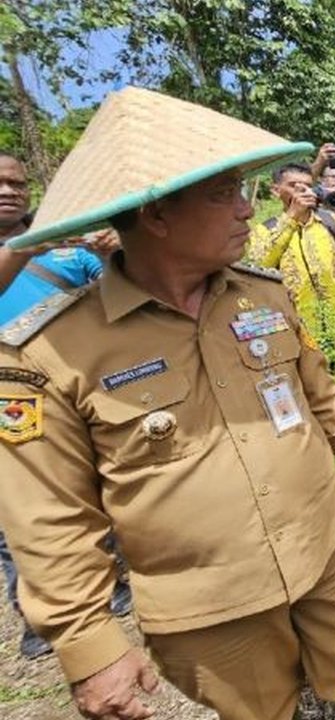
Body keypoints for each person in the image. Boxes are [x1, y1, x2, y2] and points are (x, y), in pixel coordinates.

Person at [0, 87, 335, 720]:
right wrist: (90, 648)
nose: (247, 210)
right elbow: (48, 521)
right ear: (156, 215)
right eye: (224, 194)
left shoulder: (263, 297)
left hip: (324, 548)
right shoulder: (51, 352)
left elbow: (320, 393)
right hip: (213, 603)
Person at [0, 154, 132, 661]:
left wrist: (115, 253)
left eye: (17, 182)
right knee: (19, 509)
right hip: (10, 398)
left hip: (75, 386)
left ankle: (109, 585)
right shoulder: (33, 247)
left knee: (92, 486)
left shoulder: (65, 245)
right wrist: (21, 251)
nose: (10, 191)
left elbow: (116, 292)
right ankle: (40, 617)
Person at [246, 162, 335, 334]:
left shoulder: (331, 221)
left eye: (308, 186)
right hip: (297, 328)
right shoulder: (265, 230)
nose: (303, 192)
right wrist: (292, 217)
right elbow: (260, 266)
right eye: (294, 186)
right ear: (276, 191)